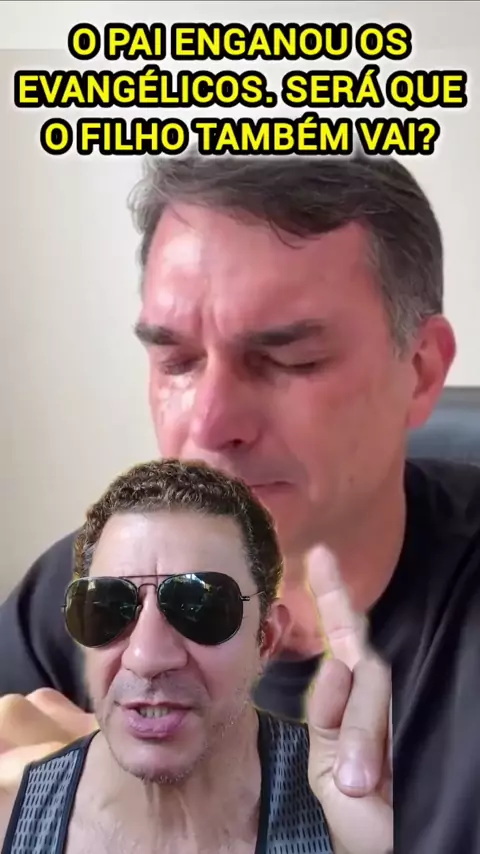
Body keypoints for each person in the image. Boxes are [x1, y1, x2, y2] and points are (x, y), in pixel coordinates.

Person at [0, 150, 479, 854]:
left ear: (420, 370)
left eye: (288, 361)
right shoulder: (83, 594)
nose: (210, 422)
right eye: (176, 362)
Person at [0, 458, 392, 854]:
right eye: (107, 608)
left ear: (266, 639)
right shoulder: (10, 818)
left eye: (200, 608)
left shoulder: (342, 808)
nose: (146, 657)